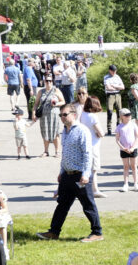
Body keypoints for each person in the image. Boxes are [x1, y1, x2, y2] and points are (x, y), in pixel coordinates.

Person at [36, 103, 103, 243]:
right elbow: (65, 154)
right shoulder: (65, 132)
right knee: (62, 204)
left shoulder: (82, 130)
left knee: (88, 205)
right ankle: (54, 232)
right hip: (67, 175)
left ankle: (97, 233)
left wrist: (85, 174)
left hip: (80, 176)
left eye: (65, 114)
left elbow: (87, 154)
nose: (62, 117)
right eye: (60, 115)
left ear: (74, 114)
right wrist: (61, 172)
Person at [79, 94, 106, 198]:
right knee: (93, 170)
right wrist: (98, 133)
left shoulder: (83, 114)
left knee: (85, 169)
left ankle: (83, 189)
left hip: (84, 145)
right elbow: (101, 133)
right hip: (93, 145)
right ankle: (95, 190)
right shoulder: (93, 116)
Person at [34, 75, 65, 157]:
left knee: (55, 132)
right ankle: (46, 151)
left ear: (52, 81)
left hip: (54, 115)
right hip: (44, 116)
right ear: (44, 82)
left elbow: (63, 101)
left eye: (50, 81)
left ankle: (57, 151)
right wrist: (34, 113)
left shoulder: (56, 90)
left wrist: (56, 104)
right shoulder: (41, 91)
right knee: (45, 133)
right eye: (47, 81)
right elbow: (36, 104)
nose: (48, 82)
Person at [115, 108, 138, 192]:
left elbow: (137, 137)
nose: (129, 116)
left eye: (129, 114)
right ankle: (125, 184)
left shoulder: (133, 125)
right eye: (126, 115)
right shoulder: (119, 127)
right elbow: (117, 140)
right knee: (126, 166)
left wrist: (133, 147)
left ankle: (136, 183)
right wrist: (123, 148)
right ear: (122, 116)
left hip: (133, 148)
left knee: (134, 166)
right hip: (124, 149)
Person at [103, 64, 125, 135]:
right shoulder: (106, 77)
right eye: (113, 71)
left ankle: (118, 127)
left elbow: (122, 87)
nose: (114, 72)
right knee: (110, 111)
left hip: (117, 95)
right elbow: (108, 88)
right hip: (110, 95)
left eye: (115, 71)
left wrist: (114, 86)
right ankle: (109, 128)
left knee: (119, 111)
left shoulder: (117, 77)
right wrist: (117, 87)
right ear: (109, 70)